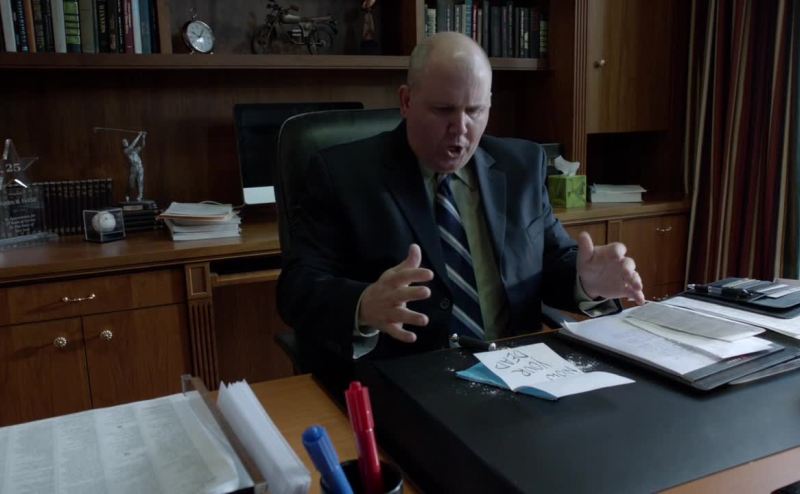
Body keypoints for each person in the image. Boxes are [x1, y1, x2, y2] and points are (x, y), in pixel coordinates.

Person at [277, 32, 644, 380]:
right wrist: (363, 304)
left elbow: (551, 263)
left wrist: (587, 282)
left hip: (518, 371)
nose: (461, 128)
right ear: (406, 101)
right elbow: (298, 287)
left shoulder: (521, 166)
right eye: (443, 110)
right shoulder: (342, 174)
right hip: (407, 376)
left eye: (475, 110)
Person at [121, 131, 146, 202]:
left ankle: (140, 196)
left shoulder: (134, 150)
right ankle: (127, 195)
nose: (124, 142)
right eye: (123, 142)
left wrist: (143, 137)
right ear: (123, 144)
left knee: (140, 182)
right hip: (133, 168)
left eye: (125, 141)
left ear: (127, 142)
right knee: (131, 183)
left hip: (140, 167)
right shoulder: (126, 151)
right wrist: (139, 135)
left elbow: (143, 146)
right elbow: (133, 144)